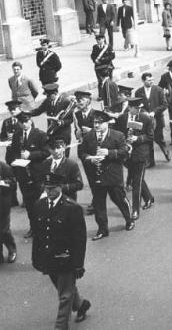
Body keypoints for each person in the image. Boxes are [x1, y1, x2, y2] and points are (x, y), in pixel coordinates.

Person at [32, 175, 90, 328]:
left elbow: (79, 240)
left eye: (52, 188)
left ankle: (61, 326)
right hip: (49, 258)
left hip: (66, 259)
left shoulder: (72, 208)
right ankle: (81, 304)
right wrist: (36, 258)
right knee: (64, 287)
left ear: (60, 187)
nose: (49, 191)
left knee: (64, 296)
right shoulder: (39, 205)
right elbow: (38, 235)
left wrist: (78, 264)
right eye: (47, 188)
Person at [80, 110, 133, 240]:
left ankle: (129, 219)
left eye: (99, 122)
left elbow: (124, 152)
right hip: (96, 176)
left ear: (107, 123)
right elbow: (81, 152)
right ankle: (102, 229)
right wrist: (90, 158)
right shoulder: (89, 136)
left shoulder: (118, 135)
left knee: (119, 199)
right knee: (99, 204)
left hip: (113, 175)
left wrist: (109, 152)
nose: (96, 125)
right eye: (95, 122)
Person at [10, 111, 49, 238]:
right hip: (23, 175)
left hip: (37, 174)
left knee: (41, 202)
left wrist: (30, 155)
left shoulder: (40, 135)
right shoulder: (17, 135)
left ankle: (44, 228)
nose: (25, 124)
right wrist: (16, 162)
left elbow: (46, 152)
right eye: (22, 122)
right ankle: (34, 227)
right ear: (19, 124)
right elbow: (14, 152)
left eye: (27, 121)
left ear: (31, 121)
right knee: (29, 203)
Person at [115, 97, 154, 219]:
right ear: (129, 108)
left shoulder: (145, 118)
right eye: (136, 108)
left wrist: (138, 139)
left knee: (136, 182)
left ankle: (135, 210)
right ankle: (148, 198)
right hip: (127, 154)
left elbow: (150, 136)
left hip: (140, 154)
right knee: (139, 178)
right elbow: (117, 133)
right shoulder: (121, 118)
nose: (138, 110)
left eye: (139, 108)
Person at [134, 72, 169, 167]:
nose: (151, 82)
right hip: (146, 121)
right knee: (149, 140)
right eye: (149, 80)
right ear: (143, 81)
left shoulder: (159, 90)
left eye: (152, 80)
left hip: (157, 118)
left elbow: (164, 104)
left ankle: (166, 152)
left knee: (159, 138)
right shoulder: (138, 92)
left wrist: (154, 112)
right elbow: (137, 106)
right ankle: (151, 161)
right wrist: (144, 112)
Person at [30, 83, 74, 158]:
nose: (48, 97)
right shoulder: (47, 101)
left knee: (63, 155)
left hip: (63, 133)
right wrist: (26, 113)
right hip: (53, 132)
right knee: (55, 154)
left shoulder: (65, 102)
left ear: (55, 93)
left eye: (49, 95)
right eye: (47, 96)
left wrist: (61, 122)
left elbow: (71, 119)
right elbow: (38, 111)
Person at [1, 101, 22, 206]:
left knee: (22, 177)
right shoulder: (6, 122)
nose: (13, 111)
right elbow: (2, 136)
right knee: (11, 177)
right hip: (10, 155)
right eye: (10, 110)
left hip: (20, 154)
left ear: (19, 108)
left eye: (14, 109)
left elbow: (30, 134)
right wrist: (6, 139)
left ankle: (26, 200)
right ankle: (13, 200)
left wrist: (15, 137)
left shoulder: (25, 119)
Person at [0, 160, 17, 264]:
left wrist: (2, 182)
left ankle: (12, 249)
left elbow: (13, 185)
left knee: (3, 230)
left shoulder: (5, 167)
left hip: (2, 204)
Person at [90, 34, 115, 99]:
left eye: (99, 39)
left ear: (103, 39)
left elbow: (112, 56)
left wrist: (104, 59)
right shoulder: (95, 47)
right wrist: (95, 61)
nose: (98, 41)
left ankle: (110, 94)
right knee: (100, 82)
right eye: (97, 40)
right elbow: (92, 55)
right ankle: (101, 95)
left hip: (107, 66)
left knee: (109, 81)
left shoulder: (108, 46)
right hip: (98, 67)